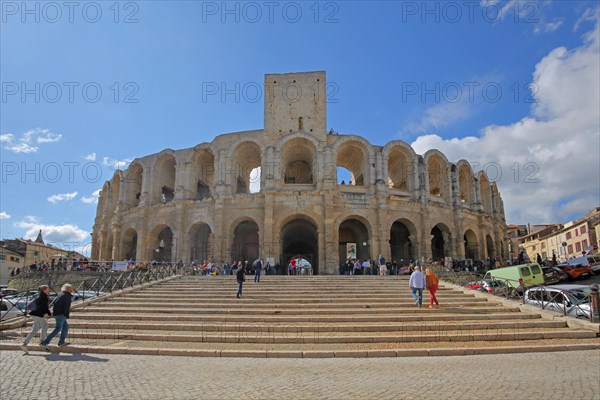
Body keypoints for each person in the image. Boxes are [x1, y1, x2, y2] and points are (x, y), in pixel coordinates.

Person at [40, 283, 74, 351]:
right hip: (61, 314)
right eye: (71, 288)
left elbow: (54, 303)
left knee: (65, 327)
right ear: (68, 289)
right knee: (58, 329)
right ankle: (45, 342)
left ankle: (61, 342)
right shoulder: (67, 295)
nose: (72, 289)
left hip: (57, 313)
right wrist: (66, 315)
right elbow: (66, 307)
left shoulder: (60, 294)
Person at [21, 285, 52, 354]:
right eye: (48, 289)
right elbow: (45, 307)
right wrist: (49, 314)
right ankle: (42, 341)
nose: (49, 290)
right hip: (38, 315)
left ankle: (24, 344)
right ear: (44, 290)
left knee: (34, 330)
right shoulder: (44, 297)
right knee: (46, 325)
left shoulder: (40, 295)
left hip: (34, 314)